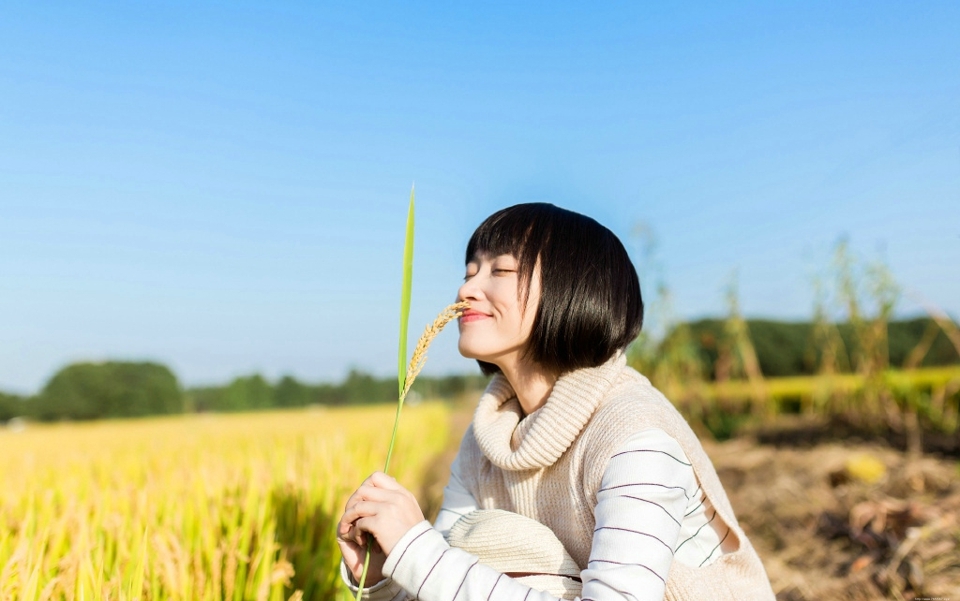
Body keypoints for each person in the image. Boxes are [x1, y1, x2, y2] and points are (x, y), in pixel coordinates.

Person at [338, 203, 775, 601]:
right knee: (476, 547)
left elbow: (439, 568)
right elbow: (440, 585)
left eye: (499, 271)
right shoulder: (486, 439)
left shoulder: (634, 435)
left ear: (571, 289)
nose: (466, 289)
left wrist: (418, 550)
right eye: (470, 271)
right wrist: (385, 575)